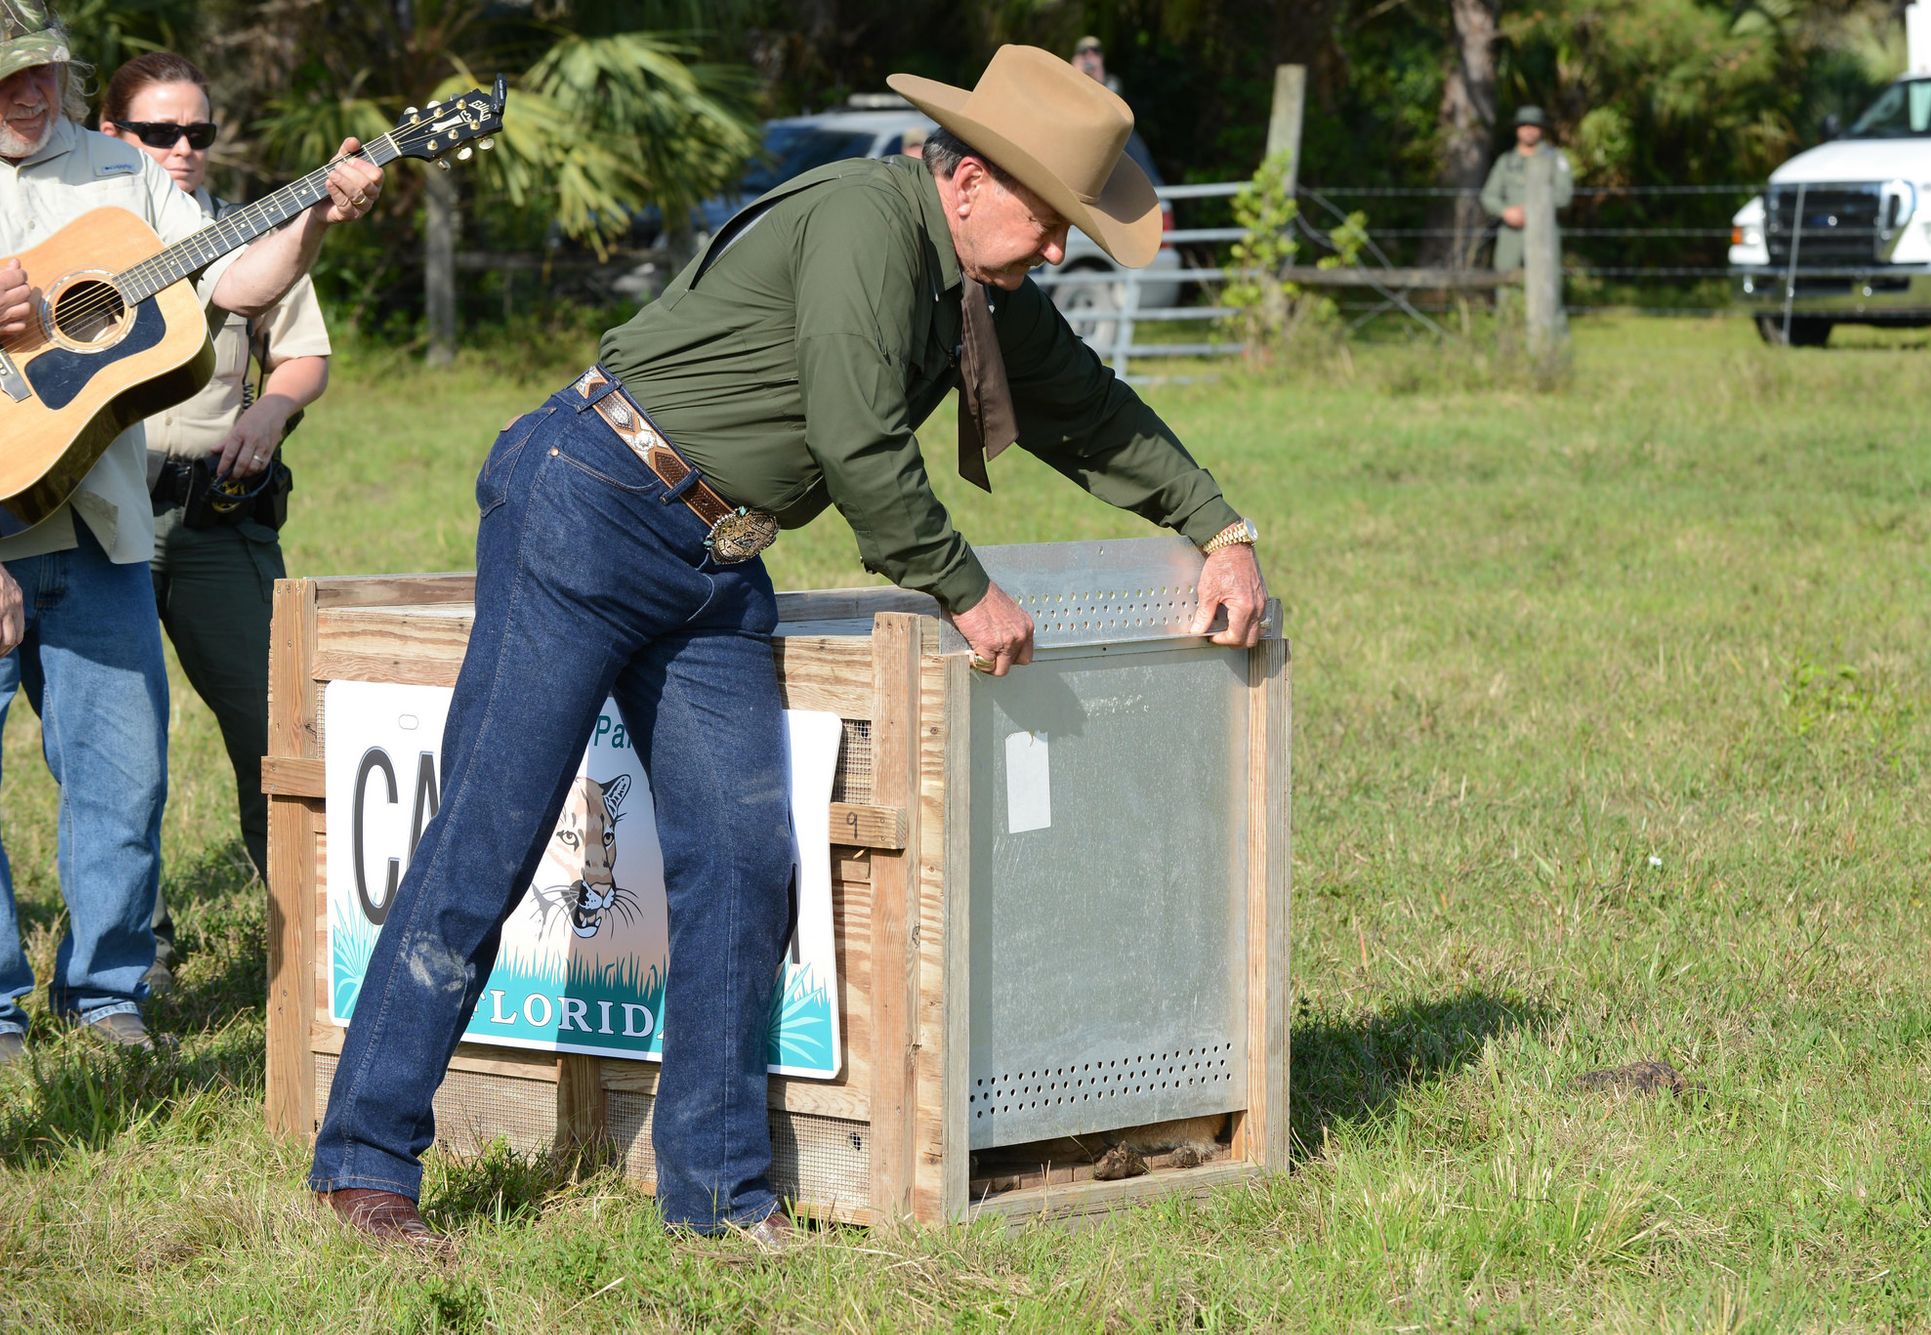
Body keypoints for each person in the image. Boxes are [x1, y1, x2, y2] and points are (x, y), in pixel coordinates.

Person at [308, 43, 1265, 1251]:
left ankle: (714, 1197)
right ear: (970, 179)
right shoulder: (867, 221)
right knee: (488, 836)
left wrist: (1217, 526)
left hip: (716, 556)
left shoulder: (975, 287)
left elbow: (1088, 408)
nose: (1059, 251)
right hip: (589, 501)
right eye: (1049, 220)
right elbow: (859, 444)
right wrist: (964, 591)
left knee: (745, 859)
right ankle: (363, 1164)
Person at [0, 0, 379, 1064]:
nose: (30, 94)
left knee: (125, 777)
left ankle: (108, 995)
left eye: (43, 73)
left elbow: (233, 282)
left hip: (103, 525)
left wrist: (312, 216)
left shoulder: (120, 173)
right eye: (7, 78)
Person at [98, 52, 334, 990]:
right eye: (160, 132)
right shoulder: (70, 234)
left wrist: (272, 410)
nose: (183, 148)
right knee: (115, 750)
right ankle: (135, 946)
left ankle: (305, 940)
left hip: (212, 519)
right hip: (95, 518)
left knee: (273, 725)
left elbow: (301, 353)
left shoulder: (251, 234)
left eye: (199, 131)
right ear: (110, 135)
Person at [1480, 105, 1573, 272]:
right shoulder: (1506, 161)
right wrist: (1505, 212)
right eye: (1524, 125)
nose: (1529, 130)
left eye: (1534, 125)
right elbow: (1489, 196)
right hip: (1511, 234)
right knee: (1505, 280)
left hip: (1544, 232)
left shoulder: (1555, 158)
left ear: (1542, 129)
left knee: (1546, 280)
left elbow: (1564, 196)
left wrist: (1532, 209)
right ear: (1517, 129)